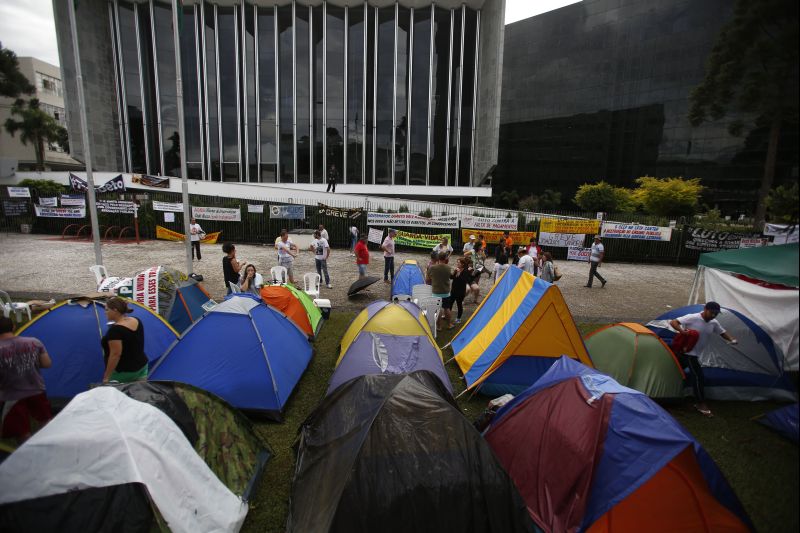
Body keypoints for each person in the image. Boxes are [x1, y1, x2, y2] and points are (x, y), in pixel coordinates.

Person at [669, 302, 738, 418]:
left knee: (673, 371)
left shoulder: (714, 323)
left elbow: (722, 332)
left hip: (693, 354)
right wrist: (682, 331)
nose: (713, 315)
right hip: (687, 353)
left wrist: (731, 339)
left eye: (716, 313)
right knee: (698, 377)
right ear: (705, 309)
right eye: (712, 312)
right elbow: (673, 322)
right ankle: (700, 403)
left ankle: (668, 395)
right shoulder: (693, 317)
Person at [0, 316, 52, 443]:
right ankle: (48, 446)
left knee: (22, 431)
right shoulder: (34, 342)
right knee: (45, 422)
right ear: (13, 327)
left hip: (11, 396)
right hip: (37, 390)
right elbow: (46, 364)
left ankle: (26, 455)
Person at [101, 297, 149, 384]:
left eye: (107, 310)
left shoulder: (115, 331)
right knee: (139, 394)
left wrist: (106, 377)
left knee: (117, 396)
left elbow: (115, 355)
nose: (105, 313)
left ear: (115, 310)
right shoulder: (136, 320)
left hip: (123, 372)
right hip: (142, 367)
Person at [426, 252, 453, 331]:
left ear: (438, 258)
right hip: (446, 291)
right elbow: (449, 277)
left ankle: (439, 326)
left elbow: (427, 280)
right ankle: (448, 325)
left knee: (438, 309)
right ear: (445, 259)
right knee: (447, 308)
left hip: (436, 292)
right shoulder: (448, 268)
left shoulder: (432, 268)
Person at [447, 257, 473, 326]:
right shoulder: (456, 269)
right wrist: (450, 273)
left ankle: (458, 318)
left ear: (463, 264)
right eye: (457, 262)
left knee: (459, 305)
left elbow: (464, 280)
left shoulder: (466, 271)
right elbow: (452, 277)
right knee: (450, 303)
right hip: (454, 290)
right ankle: (448, 316)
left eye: (459, 263)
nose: (457, 264)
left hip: (460, 291)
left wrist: (459, 274)